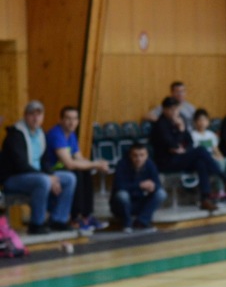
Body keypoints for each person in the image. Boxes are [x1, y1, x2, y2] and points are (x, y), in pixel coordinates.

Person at [0, 100, 76, 235]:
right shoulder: (15, 135)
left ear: (43, 117)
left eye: (39, 115)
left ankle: (58, 220)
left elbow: (45, 162)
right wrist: (47, 177)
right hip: (13, 178)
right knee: (43, 181)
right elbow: (21, 165)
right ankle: (37, 224)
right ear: (25, 116)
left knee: (69, 178)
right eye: (32, 115)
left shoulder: (41, 135)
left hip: (36, 175)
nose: (35, 118)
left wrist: (51, 175)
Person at [149, 96, 226, 212]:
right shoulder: (160, 125)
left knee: (200, 162)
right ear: (164, 110)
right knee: (200, 150)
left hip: (179, 157)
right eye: (171, 109)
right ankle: (224, 178)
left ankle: (205, 199)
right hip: (166, 162)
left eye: (176, 109)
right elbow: (172, 144)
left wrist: (184, 149)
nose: (174, 112)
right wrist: (181, 131)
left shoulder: (179, 120)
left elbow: (190, 142)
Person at [46, 105, 110, 233]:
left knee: (85, 170)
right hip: (50, 171)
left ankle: (86, 216)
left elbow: (79, 158)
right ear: (60, 120)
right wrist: (95, 164)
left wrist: (97, 164)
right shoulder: (56, 134)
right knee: (76, 173)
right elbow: (69, 164)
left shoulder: (71, 135)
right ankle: (75, 218)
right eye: (68, 118)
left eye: (75, 119)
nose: (72, 122)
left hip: (63, 169)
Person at [190, 108, 226, 201]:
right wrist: (215, 158)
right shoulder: (192, 135)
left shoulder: (211, 134)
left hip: (215, 157)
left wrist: (220, 156)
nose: (202, 122)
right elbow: (196, 152)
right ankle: (220, 192)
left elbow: (216, 149)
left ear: (208, 122)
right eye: (199, 120)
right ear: (195, 122)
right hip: (205, 160)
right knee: (220, 164)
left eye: (204, 120)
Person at [110, 142, 166, 233]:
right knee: (122, 195)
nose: (138, 159)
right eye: (135, 156)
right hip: (121, 204)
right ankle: (126, 224)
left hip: (140, 201)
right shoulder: (122, 165)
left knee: (161, 193)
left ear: (147, 155)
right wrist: (139, 185)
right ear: (130, 156)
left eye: (142, 155)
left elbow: (157, 184)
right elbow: (119, 186)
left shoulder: (150, 165)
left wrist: (153, 186)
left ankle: (141, 222)